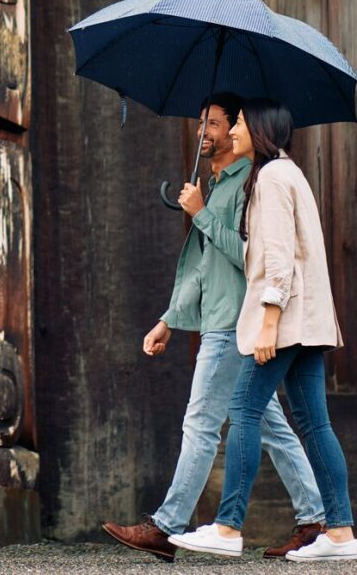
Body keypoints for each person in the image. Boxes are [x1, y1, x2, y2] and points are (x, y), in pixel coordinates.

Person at [103, 93, 324, 562]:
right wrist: (169, 319)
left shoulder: (253, 181)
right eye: (201, 122)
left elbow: (250, 256)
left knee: (201, 422)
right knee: (270, 425)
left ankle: (165, 527)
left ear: (238, 130)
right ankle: (314, 517)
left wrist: (200, 213)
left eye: (217, 123)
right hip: (219, 319)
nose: (204, 131)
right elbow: (203, 268)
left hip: (234, 322)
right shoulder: (217, 182)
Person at [169, 99, 356, 562]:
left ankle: (229, 527)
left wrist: (268, 321)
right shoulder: (286, 173)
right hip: (308, 321)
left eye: (238, 122)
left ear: (261, 129)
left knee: (245, 412)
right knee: (314, 424)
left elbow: (277, 259)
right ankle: (340, 532)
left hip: (286, 322)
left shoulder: (270, 179)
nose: (232, 130)